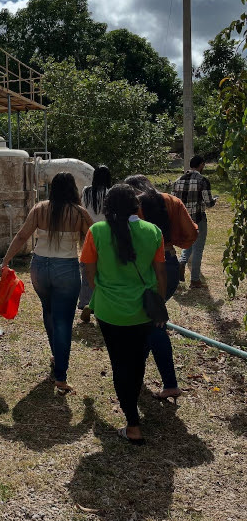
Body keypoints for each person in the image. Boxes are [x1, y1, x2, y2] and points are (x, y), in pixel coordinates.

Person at [80, 184, 167, 445]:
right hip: (142, 310)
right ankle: (133, 418)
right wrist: (159, 302)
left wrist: (102, 293)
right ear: (136, 206)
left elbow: (89, 271)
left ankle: (132, 423)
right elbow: (161, 273)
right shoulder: (153, 231)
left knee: (119, 363)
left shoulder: (97, 231)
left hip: (109, 310)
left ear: (107, 207)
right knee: (137, 361)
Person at [1, 172, 92, 394]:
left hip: (39, 267)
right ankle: (61, 376)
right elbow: (94, 238)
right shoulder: (79, 213)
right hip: (66, 269)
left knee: (49, 311)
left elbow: (22, 236)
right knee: (63, 321)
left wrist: (5, 261)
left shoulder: (40, 208)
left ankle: (55, 353)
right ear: (73, 189)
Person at [125, 174, 198, 400]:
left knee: (154, 324)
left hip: (146, 269)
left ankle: (170, 383)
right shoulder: (172, 202)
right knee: (149, 320)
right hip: (170, 264)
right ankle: (135, 372)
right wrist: (174, 242)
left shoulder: (134, 206)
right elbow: (192, 233)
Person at [172, 155, 217, 289]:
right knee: (198, 248)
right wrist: (215, 200)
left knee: (188, 243)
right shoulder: (203, 180)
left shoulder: (178, 180)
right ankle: (195, 280)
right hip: (198, 218)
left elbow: (174, 201)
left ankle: (182, 261)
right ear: (201, 165)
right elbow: (208, 203)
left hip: (183, 219)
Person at [78, 165, 111, 322]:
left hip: (88, 234)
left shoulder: (86, 191)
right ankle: (101, 304)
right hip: (105, 234)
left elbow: (82, 209)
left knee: (87, 269)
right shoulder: (110, 193)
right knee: (104, 270)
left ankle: (85, 302)